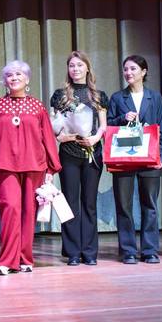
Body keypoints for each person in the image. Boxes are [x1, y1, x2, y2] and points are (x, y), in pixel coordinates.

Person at [0, 60, 61, 275]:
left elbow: (47, 137)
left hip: (35, 166)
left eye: (18, 74)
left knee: (28, 212)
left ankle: (25, 258)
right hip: (5, 166)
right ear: (4, 81)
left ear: (27, 79)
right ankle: (7, 261)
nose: (14, 78)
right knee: (10, 210)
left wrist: (51, 169)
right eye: (9, 75)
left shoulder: (37, 106)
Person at [107, 55, 162, 264]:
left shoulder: (155, 97)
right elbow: (109, 126)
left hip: (150, 158)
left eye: (133, 69)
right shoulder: (117, 98)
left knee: (149, 205)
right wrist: (122, 119)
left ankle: (150, 250)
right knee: (123, 205)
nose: (128, 73)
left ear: (144, 71)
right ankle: (128, 251)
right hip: (124, 158)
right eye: (126, 69)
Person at [50, 51, 108, 266]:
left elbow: (103, 125)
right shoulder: (60, 95)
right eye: (72, 65)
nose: (75, 69)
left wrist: (95, 138)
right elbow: (55, 125)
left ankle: (90, 252)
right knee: (70, 202)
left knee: (89, 203)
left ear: (87, 68)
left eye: (79, 65)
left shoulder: (98, 95)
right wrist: (61, 137)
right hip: (69, 153)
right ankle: (73, 251)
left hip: (92, 153)